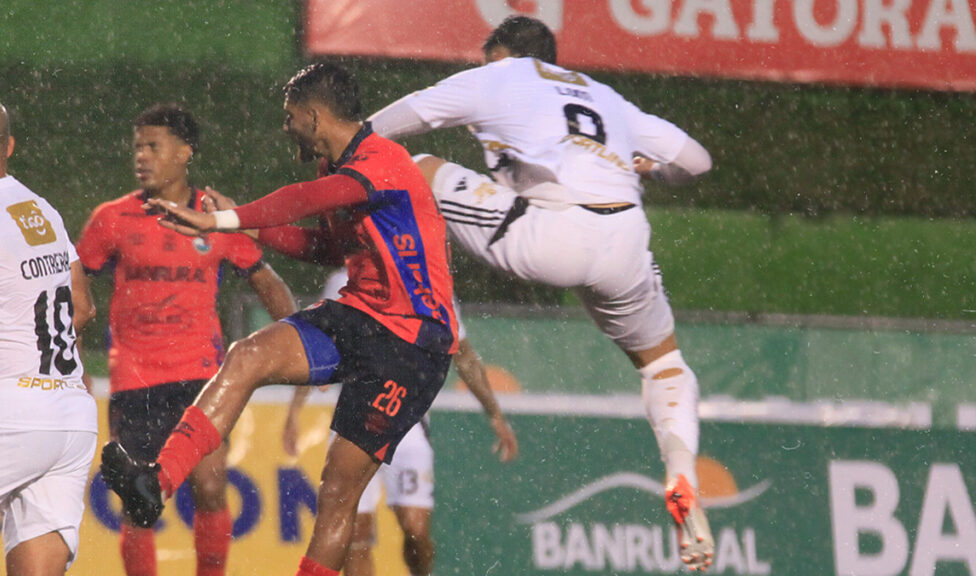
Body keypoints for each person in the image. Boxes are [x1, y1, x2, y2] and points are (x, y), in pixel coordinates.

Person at [368, 15, 716, 571]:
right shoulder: (604, 95)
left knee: (413, 169)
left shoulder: (500, 75)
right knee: (663, 366)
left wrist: (347, 143)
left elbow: (407, 116)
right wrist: (653, 171)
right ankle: (680, 466)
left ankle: (395, 282)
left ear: (502, 55)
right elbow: (697, 161)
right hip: (625, 239)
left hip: (548, 234)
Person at [100, 62, 459, 576]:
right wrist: (246, 230)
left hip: (411, 343)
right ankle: (154, 483)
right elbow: (328, 248)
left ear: (313, 117)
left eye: (290, 117)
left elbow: (302, 201)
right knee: (247, 355)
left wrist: (222, 219)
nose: (285, 127)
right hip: (359, 315)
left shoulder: (382, 160)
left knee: (338, 494)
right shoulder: (336, 168)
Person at [74, 103, 296, 576]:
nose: (141, 156)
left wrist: (304, 343)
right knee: (138, 502)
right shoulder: (112, 218)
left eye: (153, 147)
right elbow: (74, 282)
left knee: (211, 488)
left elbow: (266, 280)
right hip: (134, 378)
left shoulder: (214, 218)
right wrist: (71, 358)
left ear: (184, 153)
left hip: (200, 375)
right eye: (138, 146)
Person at [283, 268, 518, 576]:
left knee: (416, 531)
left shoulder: (432, 282)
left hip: (408, 426)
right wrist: (295, 410)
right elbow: (320, 345)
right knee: (355, 533)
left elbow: (463, 355)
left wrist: (494, 414)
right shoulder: (344, 279)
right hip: (355, 423)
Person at [0, 94, 98, 575]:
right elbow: (82, 306)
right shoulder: (43, 211)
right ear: (8, 146)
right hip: (71, 417)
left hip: (6, 415)